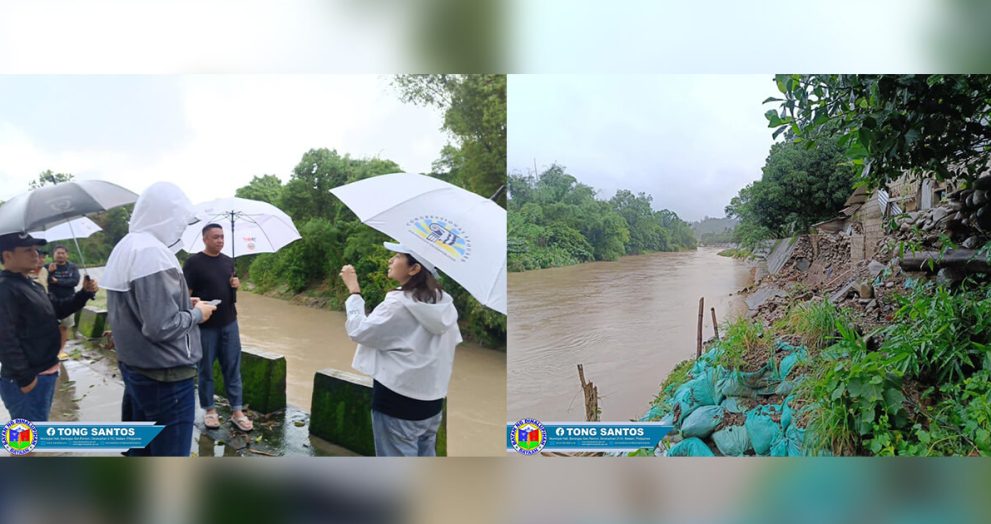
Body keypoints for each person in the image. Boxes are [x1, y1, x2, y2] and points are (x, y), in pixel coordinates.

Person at [103, 182, 216, 456]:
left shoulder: (127, 246)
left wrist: (180, 303)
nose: (180, 228)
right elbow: (159, 326)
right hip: (165, 379)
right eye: (179, 221)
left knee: (140, 449)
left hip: (136, 370)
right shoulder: (152, 253)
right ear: (165, 216)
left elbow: (136, 306)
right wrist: (198, 313)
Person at [339, 242, 462, 457]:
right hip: (432, 401)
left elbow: (359, 331)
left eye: (397, 257)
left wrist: (354, 291)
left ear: (414, 269)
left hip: (397, 401)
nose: (390, 260)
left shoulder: (398, 304)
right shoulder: (444, 304)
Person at [0, 232, 97, 421]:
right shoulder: (5, 289)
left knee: (36, 433)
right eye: (28, 250)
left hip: (46, 371)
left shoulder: (31, 284)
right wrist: (25, 378)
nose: (35, 254)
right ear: (7, 256)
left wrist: (84, 294)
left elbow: (59, 309)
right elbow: (5, 338)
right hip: (29, 379)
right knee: (25, 441)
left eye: (36, 249)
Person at [182, 223, 253, 432]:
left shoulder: (228, 262)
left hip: (230, 323)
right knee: (205, 369)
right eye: (215, 237)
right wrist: (193, 304)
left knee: (232, 367)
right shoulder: (194, 263)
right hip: (205, 326)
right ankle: (210, 409)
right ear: (205, 239)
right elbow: (185, 295)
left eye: (222, 237)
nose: (220, 240)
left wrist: (235, 286)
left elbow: (231, 298)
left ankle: (237, 411)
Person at [47, 245, 81, 359]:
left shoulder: (72, 267)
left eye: (62, 253)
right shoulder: (48, 267)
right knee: (50, 327)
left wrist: (58, 281)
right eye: (58, 253)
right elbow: (45, 281)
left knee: (64, 327)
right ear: (54, 255)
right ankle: (51, 350)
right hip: (51, 301)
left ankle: (61, 350)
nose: (60, 255)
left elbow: (74, 281)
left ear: (67, 255)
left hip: (68, 301)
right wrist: (50, 273)